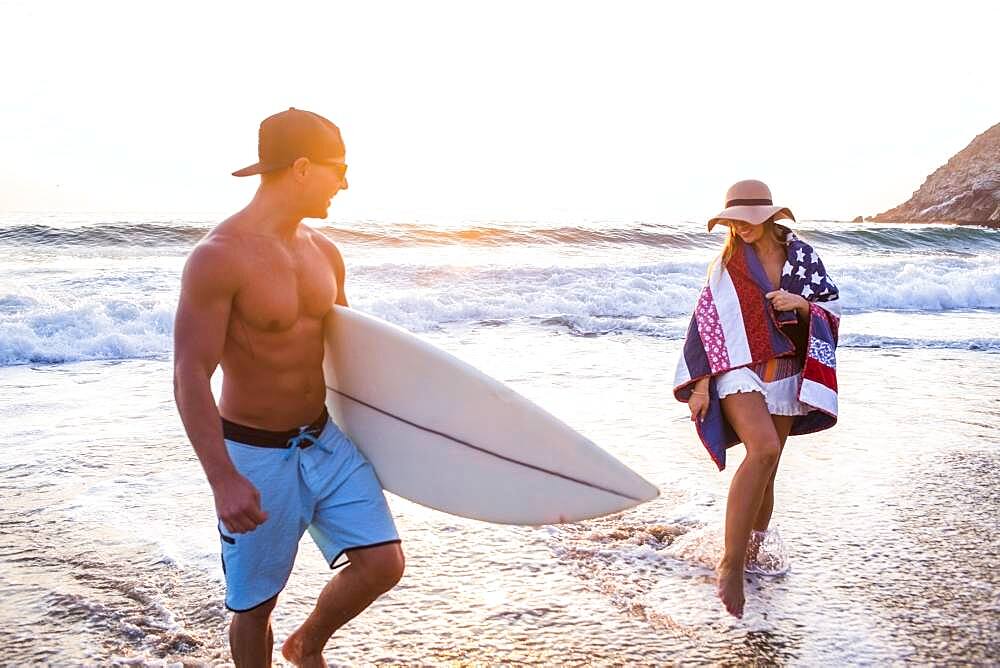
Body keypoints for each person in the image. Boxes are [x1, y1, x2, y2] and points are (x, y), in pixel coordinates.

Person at [173, 108, 404, 667]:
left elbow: (349, 355)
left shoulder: (324, 251)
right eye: (338, 168)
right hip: (254, 453)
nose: (344, 183)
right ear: (302, 168)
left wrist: (400, 437)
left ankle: (307, 646)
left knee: (383, 564)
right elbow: (189, 374)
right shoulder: (218, 258)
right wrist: (224, 479)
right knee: (255, 608)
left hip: (324, 441)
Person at [673, 180, 841, 618]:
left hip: (785, 370)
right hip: (738, 369)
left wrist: (801, 306)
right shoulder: (728, 262)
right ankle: (729, 564)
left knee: (768, 469)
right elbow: (707, 322)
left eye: (747, 221)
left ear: (769, 216)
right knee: (762, 449)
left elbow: (832, 308)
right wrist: (701, 384)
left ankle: (750, 552)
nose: (740, 228)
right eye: (732, 221)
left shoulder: (802, 257)